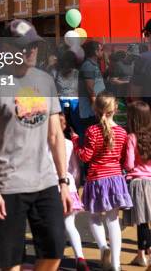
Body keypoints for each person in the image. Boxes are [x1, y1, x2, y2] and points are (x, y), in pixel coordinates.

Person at [0, 18, 72, 271]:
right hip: (7, 185)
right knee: (10, 261)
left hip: (45, 182)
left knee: (54, 249)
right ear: (6, 49)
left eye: (34, 46)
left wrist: (63, 181)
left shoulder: (45, 81)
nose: (30, 51)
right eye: (24, 47)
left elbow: (55, 136)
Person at [71, 92, 132, 271]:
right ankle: (116, 264)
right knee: (113, 220)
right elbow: (122, 159)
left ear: (95, 110)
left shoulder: (92, 131)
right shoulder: (122, 132)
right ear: (115, 109)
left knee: (94, 217)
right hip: (115, 179)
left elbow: (85, 156)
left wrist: (75, 141)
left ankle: (104, 248)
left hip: (96, 179)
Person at [59, 113, 89, 271]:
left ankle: (55, 255)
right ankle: (80, 257)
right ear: (64, 126)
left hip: (50, 188)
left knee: (53, 225)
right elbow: (76, 169)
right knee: (69, 224)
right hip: (69, 186)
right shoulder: (69, 144)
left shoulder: (42, 143)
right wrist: (76, 186)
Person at [123, 101, 151, 266]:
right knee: (146, 221)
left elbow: (129, 164)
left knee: (141, 221)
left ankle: (141, 254)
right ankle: (145, 252)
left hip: (138, 182)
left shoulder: (131, 137)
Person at [78, 41, 105, 134]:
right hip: (91, 112)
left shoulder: (92, 65)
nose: (103, 52)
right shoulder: (88, 65)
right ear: (95, 52)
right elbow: (90, 89)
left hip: (93, 110)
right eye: (101, 50)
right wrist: (97, 108)